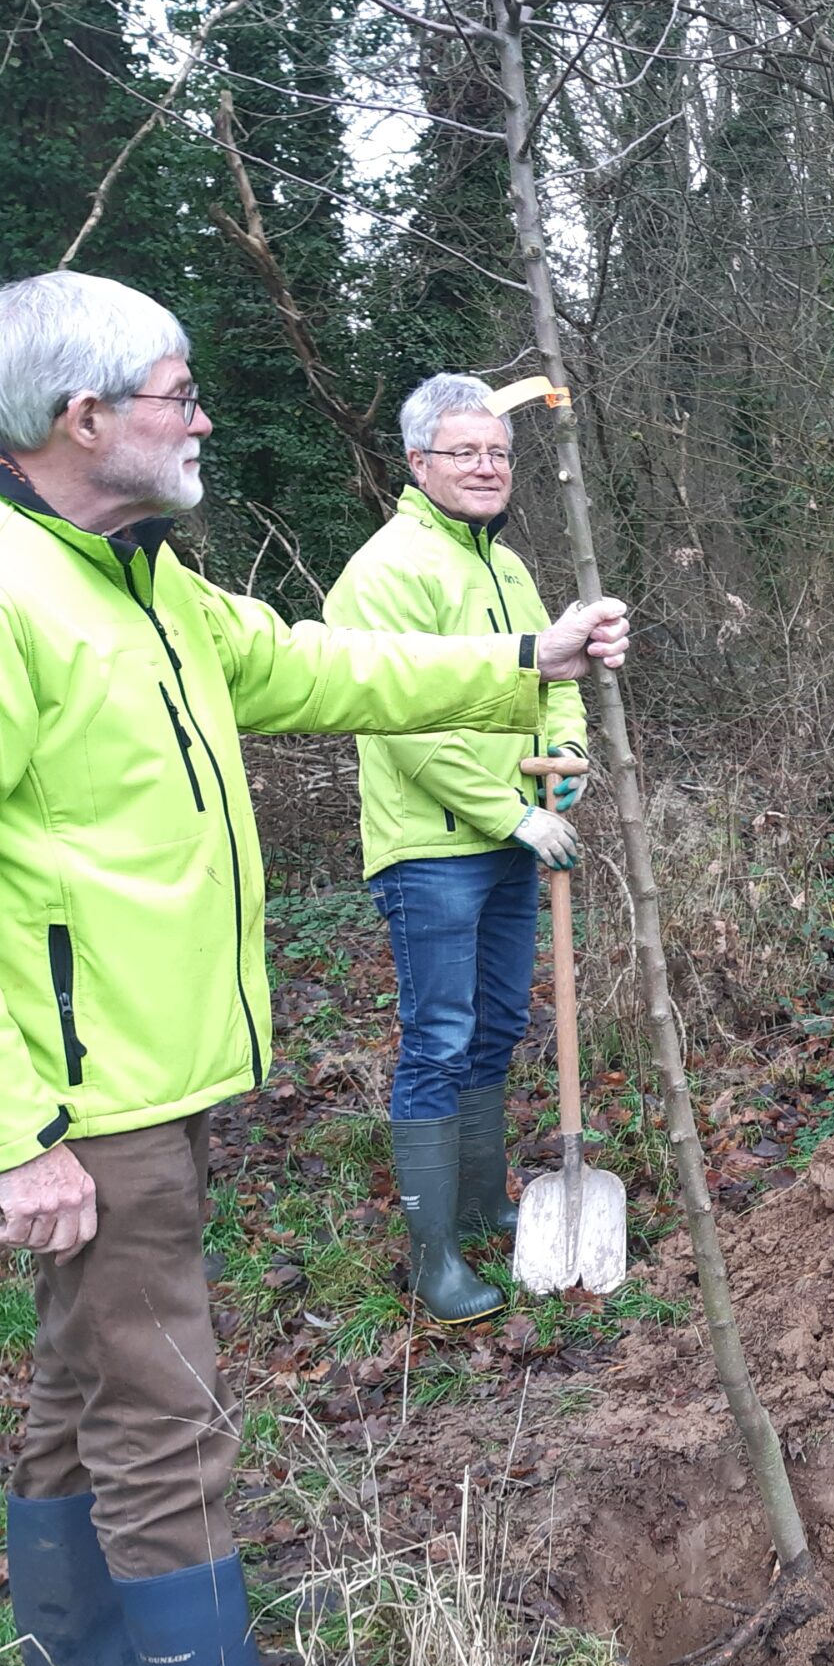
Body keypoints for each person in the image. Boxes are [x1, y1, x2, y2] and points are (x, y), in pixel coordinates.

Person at [0, 272, 632, 1666]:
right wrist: (9, 1136)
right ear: (83, 416)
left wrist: (526, 658)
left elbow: (312, 668)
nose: (204, 418)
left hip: (138, 1061)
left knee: (82, 1369)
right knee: (163, 1408)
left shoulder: (128, 572)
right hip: (73, 1090)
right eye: (178, 393)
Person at [322, 376, 589, 1325]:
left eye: (498, 453)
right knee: (437, 1038)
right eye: (465, 452)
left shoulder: (506, 567)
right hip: (430, 849)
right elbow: (395, 722)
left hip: (516, 835)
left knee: (497, 1025)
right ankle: (435, 1257)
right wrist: (509, 813)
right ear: (418, 463)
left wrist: (568, 755)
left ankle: (482, 1206)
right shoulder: (386, 571)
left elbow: (555, 674)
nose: (486, 467)